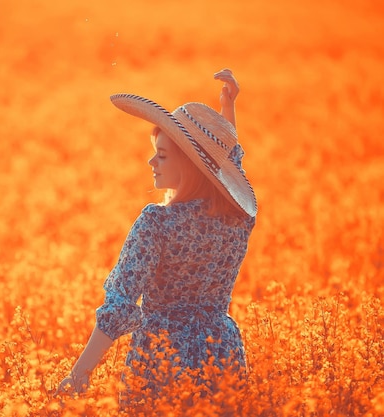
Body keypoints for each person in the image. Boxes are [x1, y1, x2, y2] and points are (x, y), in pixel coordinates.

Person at [56, 69, 257, 404]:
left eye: (162, 155)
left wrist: (79, 376)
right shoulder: (239, 219)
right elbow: (225, 164)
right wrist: (227, 114)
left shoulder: (157, 223)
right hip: (221, 356)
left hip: (163, 361)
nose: (151, 161)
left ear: (192, 165)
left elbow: (119, 305)